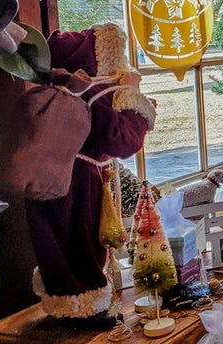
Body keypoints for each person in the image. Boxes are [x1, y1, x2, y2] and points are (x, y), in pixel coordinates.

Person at [25, 23, 156, 326]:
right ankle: (86, 312)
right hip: (78, 185)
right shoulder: (88, 94)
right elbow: (123, 140)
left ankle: (73, 306)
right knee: (79, 245)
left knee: (58, 245)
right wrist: (132, 95)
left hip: (51, 181)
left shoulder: (53, 94)